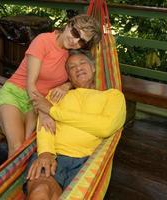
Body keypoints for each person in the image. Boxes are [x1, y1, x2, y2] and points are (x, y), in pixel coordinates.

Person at [0, 14, 101, 157]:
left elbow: (78, 75)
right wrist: (45, 113)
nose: (75, 41)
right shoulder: (43, 41)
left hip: (37, 104)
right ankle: (8, 178)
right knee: (17, 147)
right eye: (75, 33)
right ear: (68, 25)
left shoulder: (71, 54)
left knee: (28, 147)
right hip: (16, 93)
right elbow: (30, 84)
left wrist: (67, 85)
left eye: (82, 41)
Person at [25, 49, 126, 199]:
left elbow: (105, 127)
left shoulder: (113, 96)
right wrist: (45, 152)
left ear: (93, 67)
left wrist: (54, 111)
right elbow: (44, 126)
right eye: (72, 67)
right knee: (41, 192)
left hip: (88, 161)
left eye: (82, 63)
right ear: (69, 77)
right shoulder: (56, 94)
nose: (78, 68)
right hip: (54, 156)